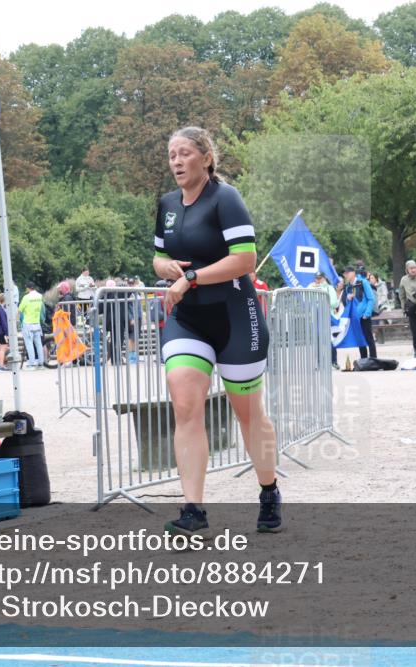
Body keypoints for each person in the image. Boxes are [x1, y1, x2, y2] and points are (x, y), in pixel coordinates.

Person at [153, 126, 279, 535]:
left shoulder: (226, 198)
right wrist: (167, 268)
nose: (176, 161)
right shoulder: (167, 204)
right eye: (171, 154)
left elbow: (244, 260)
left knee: (248, 414)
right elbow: (158, 257)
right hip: (188, 319)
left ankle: (268, 490)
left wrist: (189, 279)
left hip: (234, 316)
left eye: (184, 153)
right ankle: (193, 509)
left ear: (206, 158)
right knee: (185, 405)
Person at [341, 266, 377, 359]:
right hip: (355, 317)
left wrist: (367, 314)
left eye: (347, 273)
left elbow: (371, 298)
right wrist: (348, 298)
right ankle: (363, 360)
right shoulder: (348, 287)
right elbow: (346, 303)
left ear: (353, 273)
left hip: (364, 316)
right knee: (360, 339)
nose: (346, 275)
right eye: (344, 274)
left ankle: (373, 359)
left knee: (369, 338)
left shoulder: (363, 282)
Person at [310, 273, 340, 369]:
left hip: (327, 315)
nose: (318, 280)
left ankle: (334, 361)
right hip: (316, 316)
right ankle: (319, 363)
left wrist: (322, 302)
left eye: (320, 278)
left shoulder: (329, 288)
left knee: (329, 339)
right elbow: (306, 301)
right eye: (317, 278)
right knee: (317, 339)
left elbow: (335, 303)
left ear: (324, 278)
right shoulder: (311, 287)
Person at [19, 282, 45, 370]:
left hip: (27, 323)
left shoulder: (26, 297)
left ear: (28, 288)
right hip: (36, 322)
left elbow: (20, 309)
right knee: (38, 344)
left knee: (29, 344)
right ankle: (41, 363)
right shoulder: (40, 296)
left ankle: (31, 364)